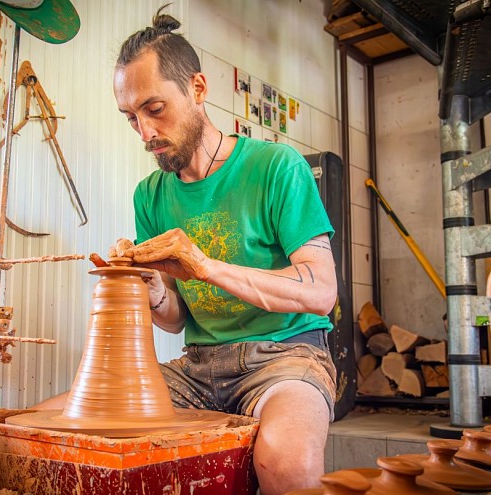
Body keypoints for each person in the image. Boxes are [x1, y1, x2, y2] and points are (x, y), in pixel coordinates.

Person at [108, 5, 340, 494]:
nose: (146, 133)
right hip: (197, 366)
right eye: (131, 118)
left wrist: (205, 266)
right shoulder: (149, 195)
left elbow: (320, 291)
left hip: (286, 357)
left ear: (197, 89)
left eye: (154, 109)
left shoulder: (277, 166)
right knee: (88, 428)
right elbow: (174, 318)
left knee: (287, 463)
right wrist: (151, 289)